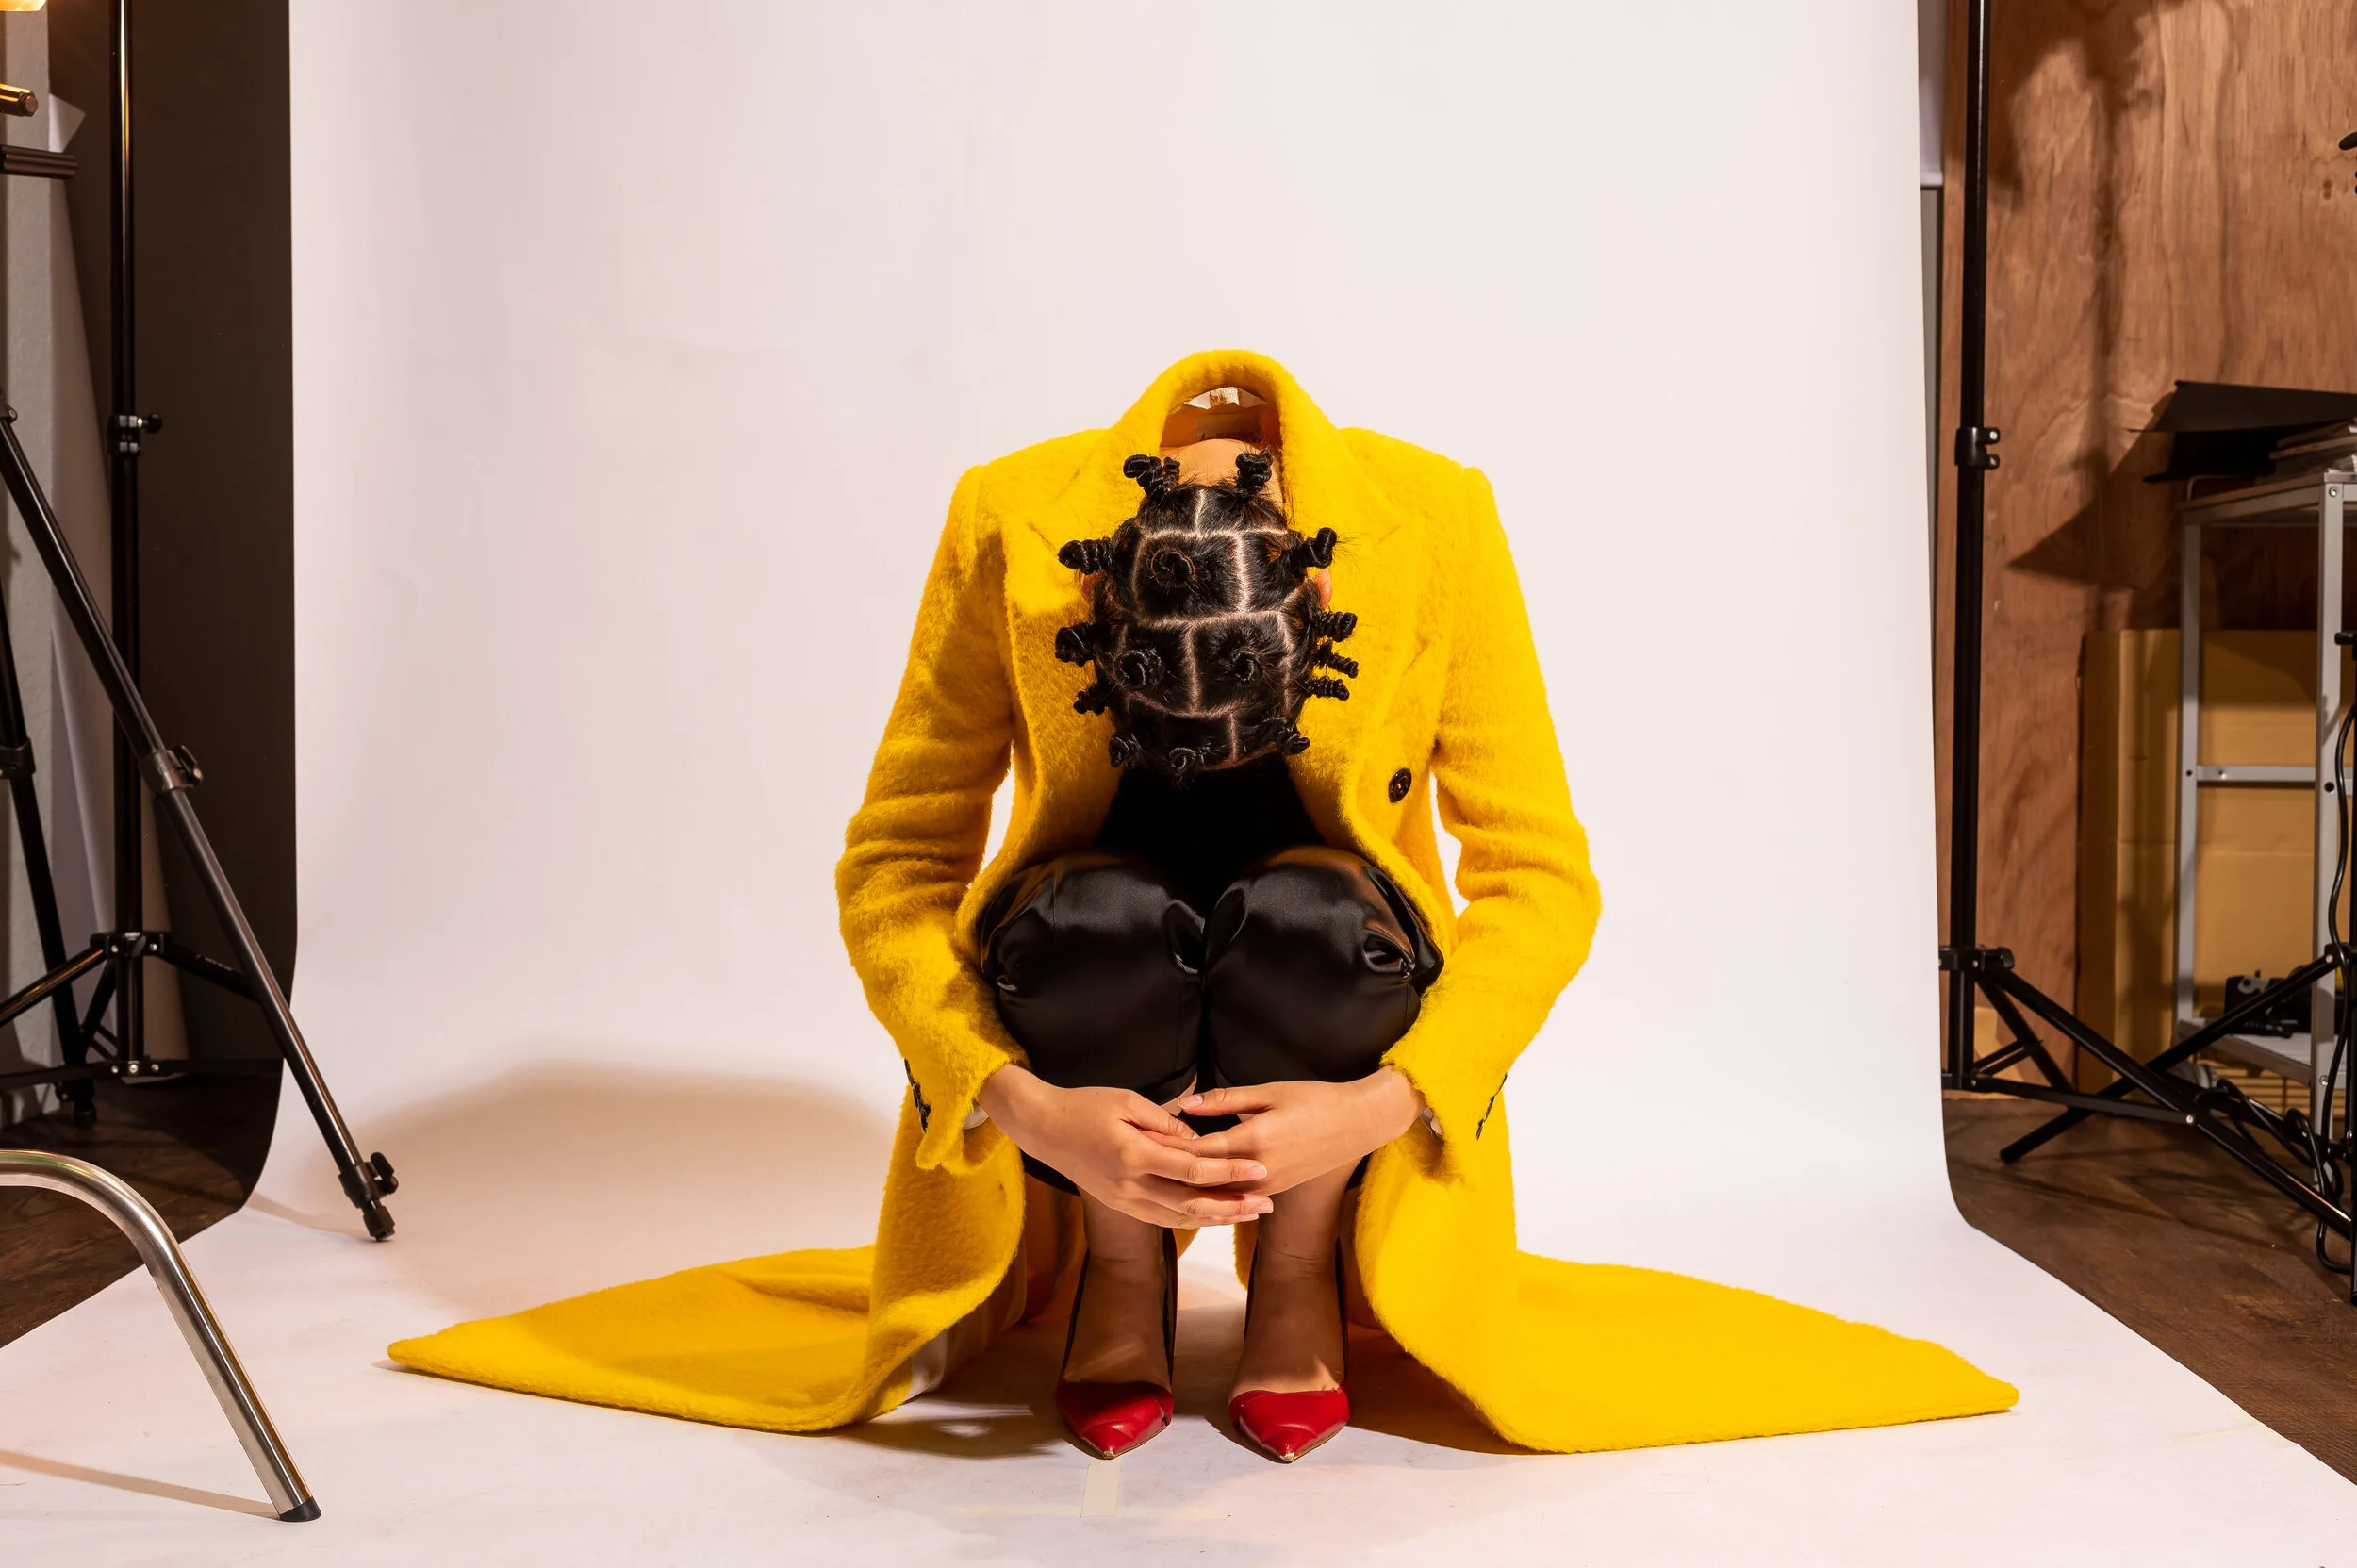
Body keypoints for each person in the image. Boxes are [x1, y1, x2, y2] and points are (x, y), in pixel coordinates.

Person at [838, 349, 1599, 1461]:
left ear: (1323, 605)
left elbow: (1538, 872)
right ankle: (1119, 1262)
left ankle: (1298, 1271)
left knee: (1311, 914)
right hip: (1088, 979)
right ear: (1091, 608)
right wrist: (1015, 1100)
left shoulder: (1437, 515)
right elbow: (896, 858)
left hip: (1329, 973)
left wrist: (1386, 1102)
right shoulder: (1008, 514)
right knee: (1094, 916)